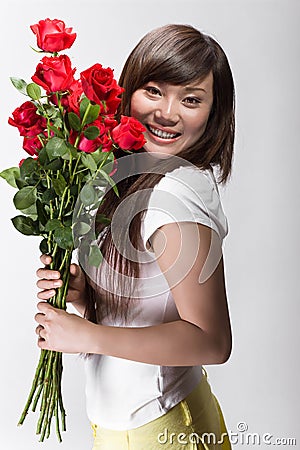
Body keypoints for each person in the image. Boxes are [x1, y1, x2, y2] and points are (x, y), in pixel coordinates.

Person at [35, 24, 235, 450]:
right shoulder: (133, 175)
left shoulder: (177, 194)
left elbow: (211, 340)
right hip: (124, 429)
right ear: (129, 92)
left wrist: (87, 336)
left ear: (214, 113)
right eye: (154, 91)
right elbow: (150, 304)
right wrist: (86, 298)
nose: (167, 113)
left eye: (192, 99)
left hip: (163, 432)